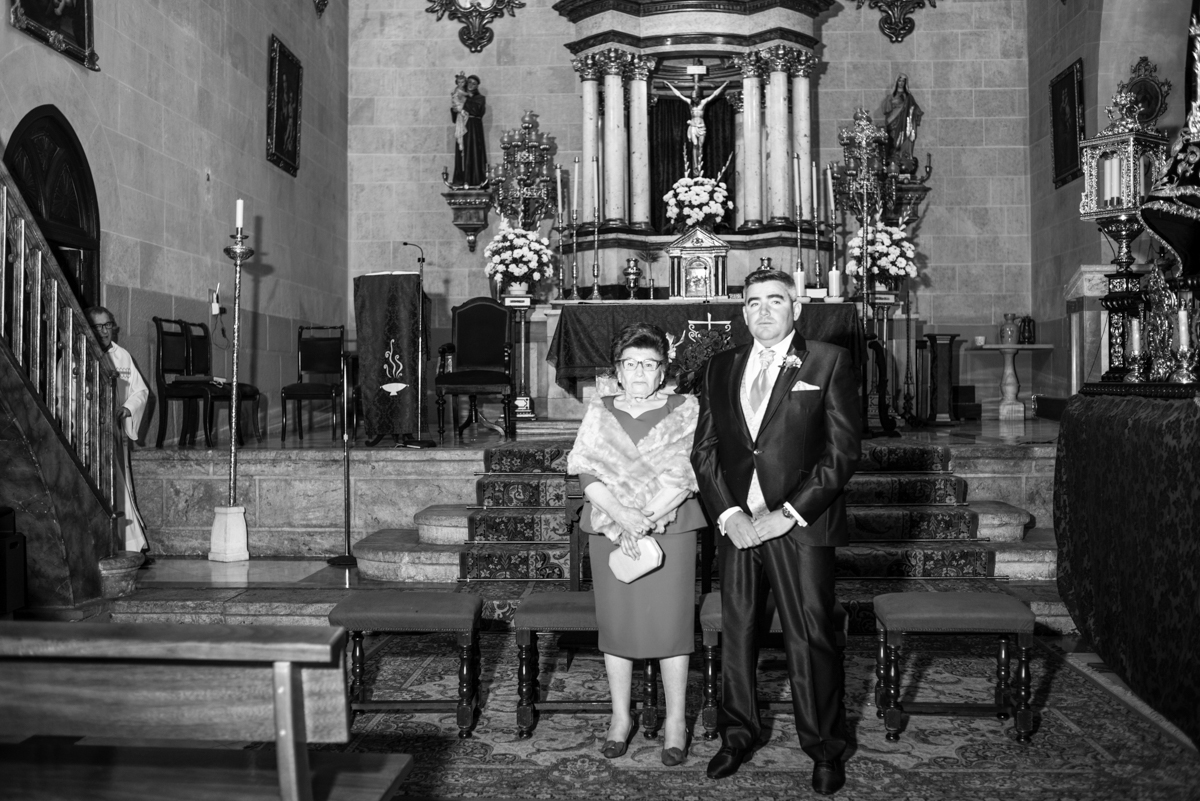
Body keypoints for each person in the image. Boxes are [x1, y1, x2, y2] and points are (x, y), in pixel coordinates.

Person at [691, 269, 860, 795]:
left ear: (796, 308)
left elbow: (842, 453)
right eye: (753, 302)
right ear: (743, 311)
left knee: (809, 636)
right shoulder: (720, 365)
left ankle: (824, 747)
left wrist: (787, 514)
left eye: (775, 300)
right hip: (739, 527)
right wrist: (728, 515)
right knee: (738, 632)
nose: (763, 311)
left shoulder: (827, 361)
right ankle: (737, 735)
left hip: (799, 525)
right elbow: (704, 450)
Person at [566, 322, 703, 766]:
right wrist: (622, 517)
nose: (639, 372)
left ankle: (676, 721)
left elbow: (687, 472)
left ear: (664, 370)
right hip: (611, 528)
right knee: (618, 625)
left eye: (649, 364)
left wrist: (643, 520)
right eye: (630, 364)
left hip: (671, 526)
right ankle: (620, 718)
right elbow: (586, 469)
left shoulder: (686, 408)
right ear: (617, 371)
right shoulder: (601, 409)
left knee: (672, 626)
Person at [86, 307, 150, 559]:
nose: (104, 331)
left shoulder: (122, 356)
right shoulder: (76, 354)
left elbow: (140, 391)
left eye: (107, 325)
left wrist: (127, 408)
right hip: (87, 434)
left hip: (113, 433)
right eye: (98, 326)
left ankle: (129, 546)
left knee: (120, 487)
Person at [665, 79, 728, 173]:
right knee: (695, 145)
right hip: (693, 126)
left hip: (701, 126)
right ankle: (695, 166)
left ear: (699, 97)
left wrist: (724, 85)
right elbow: (679, 95)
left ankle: (699, 165)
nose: (694, 99)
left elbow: (714, 94)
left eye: (696, 98)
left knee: (701, 145)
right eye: (693, 98)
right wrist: (670, 85)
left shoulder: (703, 103)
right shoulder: (690, 103)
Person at [881, 74, 923, 175]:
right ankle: (893, 159)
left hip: (904, 125)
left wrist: (914, 112)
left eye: (903, 81)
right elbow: (886, 110)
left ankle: (903, 159)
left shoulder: (908, 97)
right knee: (893, 143)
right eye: (899, 81)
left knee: (903, 142)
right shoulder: (891, 96)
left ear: (905, 83)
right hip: (892, 123)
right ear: (896, 82)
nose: (901, 83)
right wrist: (890, 101)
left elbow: (915, 109)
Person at [451, 74, 487, 187]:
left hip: (473, 129)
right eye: (469, 82)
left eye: (474, 83)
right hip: (462, 126)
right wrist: (454, 110)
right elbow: (454, 115)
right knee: (462, 153)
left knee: (473, 152)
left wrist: (463, 102)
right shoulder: (460, 95)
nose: (471, 85)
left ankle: (475, 179)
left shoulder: (480, 98)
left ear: (477, 86)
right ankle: (461, 179)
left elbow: (477, 110)